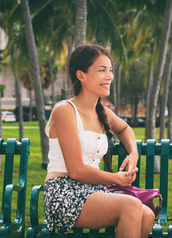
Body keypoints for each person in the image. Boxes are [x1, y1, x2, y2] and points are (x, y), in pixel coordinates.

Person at [43, 44, 154, 237]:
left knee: (147, 215)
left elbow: (125, 129)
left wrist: (133, 154)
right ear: (81, 75)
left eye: (110, 70)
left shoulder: (102, 112)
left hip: (93, 190)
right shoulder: (65, 110)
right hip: (63, 192)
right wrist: (117, 179)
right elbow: (76, 171)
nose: (109, 76)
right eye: (101, 70)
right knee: (131, 205)